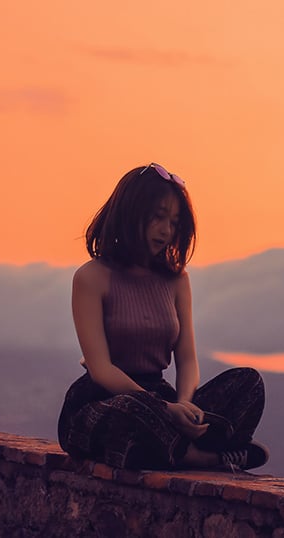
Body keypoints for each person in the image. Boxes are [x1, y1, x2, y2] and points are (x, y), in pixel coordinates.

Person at [57, 163, 268, 471]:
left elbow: (187, 361)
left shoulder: (177, 280)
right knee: (134, 410)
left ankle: (177, 446)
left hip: (163, 399)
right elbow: (100, 370)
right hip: (106, 403)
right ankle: (202, 457)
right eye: (157, 217)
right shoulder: (91, 278)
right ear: (130, 213)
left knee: (249, 383)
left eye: (173, 222)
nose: (166, 231)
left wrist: (183, 404)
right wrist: (165, 410)